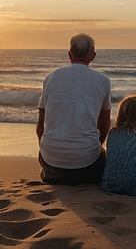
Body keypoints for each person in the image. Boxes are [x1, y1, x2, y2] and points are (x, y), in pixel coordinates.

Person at [36, 33, 111, 184]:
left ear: (69, 54)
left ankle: (52, 172)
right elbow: (104, 123)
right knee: (103, 158)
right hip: (87, 161)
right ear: (93, 56)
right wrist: (95, 147)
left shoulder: (50, 78)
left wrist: (46, 149)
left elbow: (41, 122)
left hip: (50, 157)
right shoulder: (103, 81)